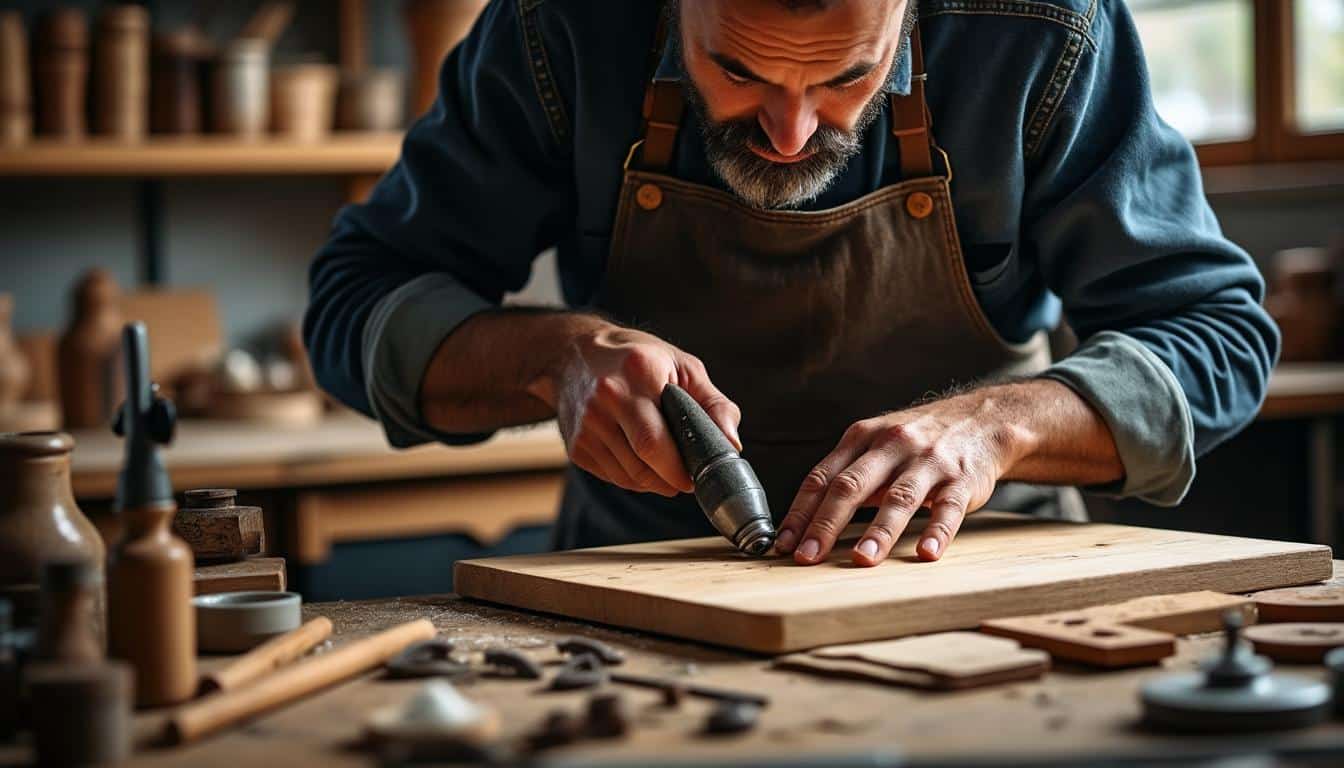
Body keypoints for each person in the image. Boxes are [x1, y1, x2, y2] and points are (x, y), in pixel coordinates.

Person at [304, 0, 1278, 567]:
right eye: (737, 70)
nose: (791, 134)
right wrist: (551, 359)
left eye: (850, 78)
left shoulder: (1039, 30)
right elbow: (356, 300)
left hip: (980, 579)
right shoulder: (562, 27)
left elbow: (1218, 337)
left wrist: (995, 427)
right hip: (655, 587)